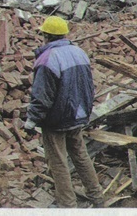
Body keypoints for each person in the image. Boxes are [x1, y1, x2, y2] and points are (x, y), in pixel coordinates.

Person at [23, 16, 104, 208]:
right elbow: (88, 87)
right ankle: (97, 196)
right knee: (81, 155)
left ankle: (68, 205)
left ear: (46, 35)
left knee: (58, 162)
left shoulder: (47, 59)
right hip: (77, 115)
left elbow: (42, 95)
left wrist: (31, 120)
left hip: (56, 120)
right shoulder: (79, 53)